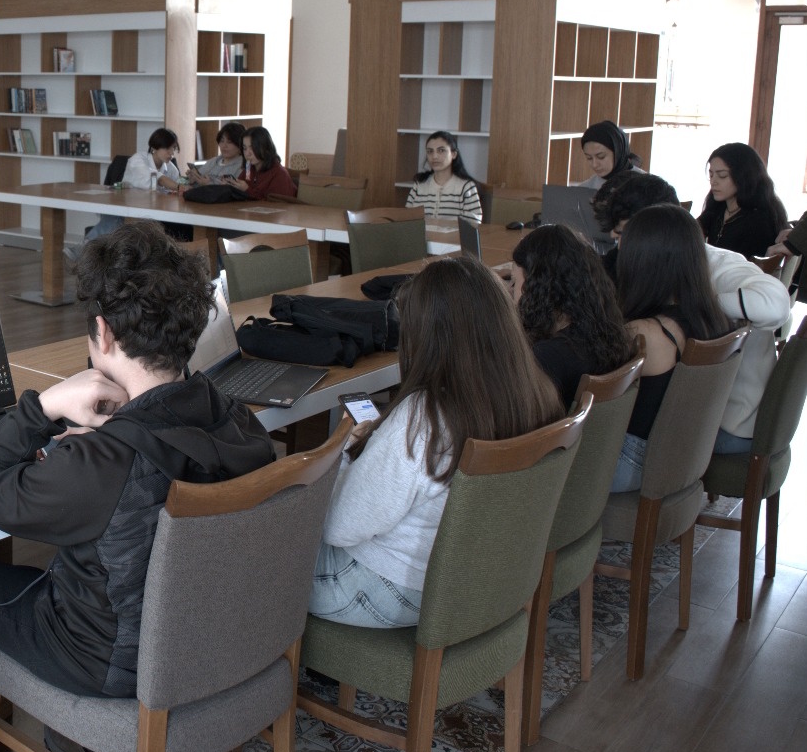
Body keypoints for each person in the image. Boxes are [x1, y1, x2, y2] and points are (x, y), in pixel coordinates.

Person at [0, 222, 274, 699]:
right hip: (211, 636)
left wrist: (44, 406)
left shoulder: (102, 463)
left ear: (103, 332)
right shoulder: (237, 419)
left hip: (109, 660)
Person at [309, 255, 560, 628]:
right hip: (480, 579)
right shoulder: (534, 394)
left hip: (394, 588)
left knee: (261, 545)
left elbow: (338, 527)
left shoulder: (423, 418)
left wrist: (345, 451)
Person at [596, 172, 789, 455]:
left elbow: (776, 305)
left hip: (728, 423)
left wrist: (698, 304)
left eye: (627, 235)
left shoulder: (721, 266)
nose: (621, 248)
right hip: (700, 419)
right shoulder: (664, 268)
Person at [611, 205, 732, 492]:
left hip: (634, 462)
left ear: (641, 261)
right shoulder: (714, 318)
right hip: (683, 456)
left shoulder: (648, 333)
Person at [509, 224, 635, 404]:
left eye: (514, 282)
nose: (512, 292)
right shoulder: (604, 333)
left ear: (536, 289)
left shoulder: (548, 356)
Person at [82, 127, 185, 243]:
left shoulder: (172, 169)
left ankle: (86, 246)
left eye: (173, 148)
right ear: (154, 147)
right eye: (167, 148)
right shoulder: (138, 159)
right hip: (125, 208)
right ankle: (86, 245)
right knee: (117, 222)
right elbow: (159, 179)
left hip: (153, 214)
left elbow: (178, 190)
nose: (171, 153)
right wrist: (179, 187)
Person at [697, 141, 787, 259]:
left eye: (722, 175)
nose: (713, 182)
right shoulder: (718, 208)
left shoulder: (760, 220)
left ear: (744, 176)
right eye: (711, 175)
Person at [404, 130, 482, 221]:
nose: (434, 156)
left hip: (453, 231)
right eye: (430, 151)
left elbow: (473, 223)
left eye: (441, 150)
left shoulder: (466, 186)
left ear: (454, 154)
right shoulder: (419, 184)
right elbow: (407, 219)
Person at [229, 125, 296, 200]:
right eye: (245, 148)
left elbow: (276, 204)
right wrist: (231, 185)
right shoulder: (249, 168)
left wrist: (247, 190)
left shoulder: (279, 174)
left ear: (265, 147)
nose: (247, 153)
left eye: (252, 147)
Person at [575, 119, 643, 191]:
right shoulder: (585, 189)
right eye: (589, 158)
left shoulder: (646, 186)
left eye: (601, 157)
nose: (594, 165)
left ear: (618, 153)